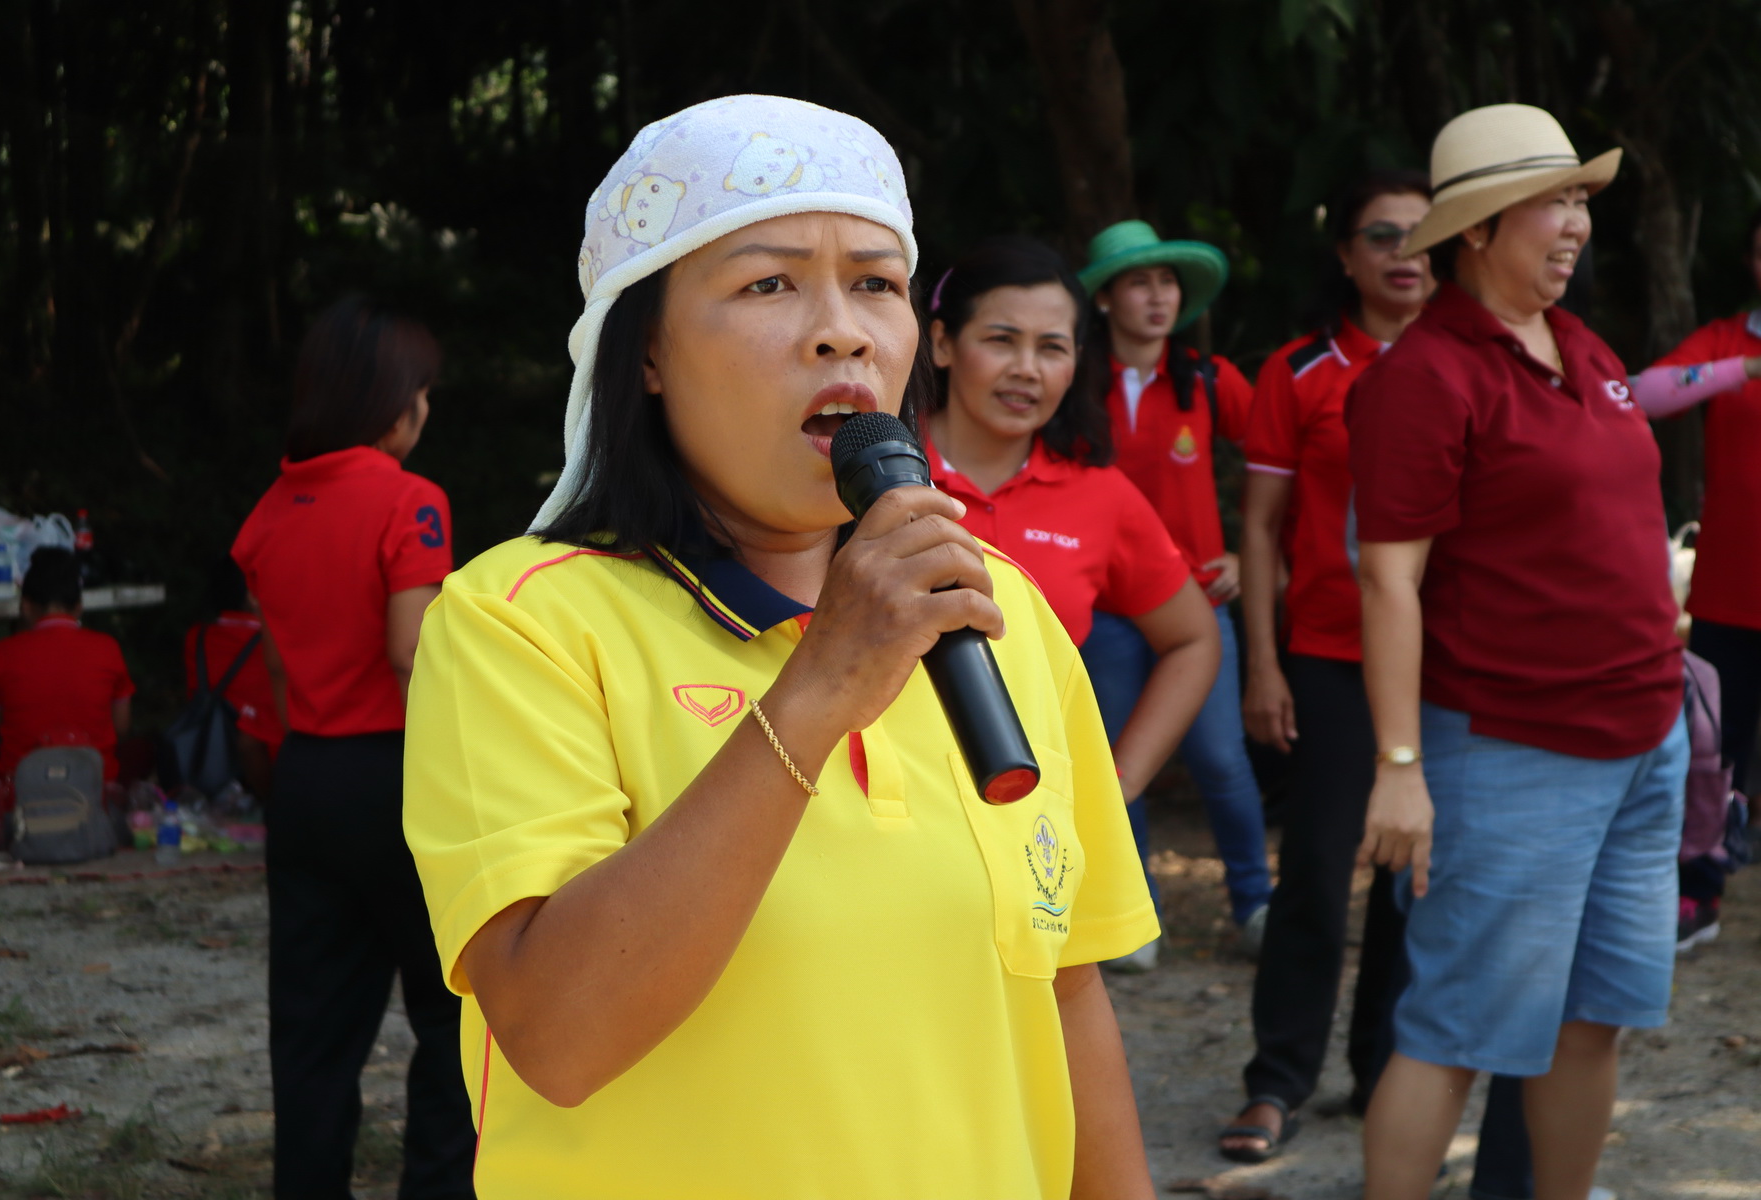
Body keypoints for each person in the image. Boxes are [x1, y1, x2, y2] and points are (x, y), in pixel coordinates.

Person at [403, 95, 1162, 1199]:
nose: (841, 331)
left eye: (877, 284)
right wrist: (819, 691)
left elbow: (1070, 991)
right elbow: (558, 1036)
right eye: (768, 284)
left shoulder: (1000, 609)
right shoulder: (518, 621)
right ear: (645, 350)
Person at [1348, 104, 1687, 1200]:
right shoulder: (1426, 373)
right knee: (1453, 1032)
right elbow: (1388, 580)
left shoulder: (1580, 343)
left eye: (1583, 198)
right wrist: (1401, 768)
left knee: (1595, 1020)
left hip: (1646, 733)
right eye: (1554, 200)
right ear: (1480, 228)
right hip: (1507, 748)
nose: (1578, 222)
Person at [923, 235, 1223, 970]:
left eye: (1052, 347)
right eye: (1001, 339)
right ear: (941, 343)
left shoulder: (1101, 496)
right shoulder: (876, 472)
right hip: (889, 816)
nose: (1027, 368)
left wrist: (1116, 787)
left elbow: (1194, 639)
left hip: (1029, 836)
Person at [232, 296, 473, 1199]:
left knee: (312, 1033)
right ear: (392, 403)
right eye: (423, 392)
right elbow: (412, 651)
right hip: (397, 774)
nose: (426, 409)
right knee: (452, 1012)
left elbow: (276, 669)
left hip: (306, 777)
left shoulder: (268, 513)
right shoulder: (412, 501)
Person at [1221, 169, 1435, 1160]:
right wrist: (1262, 665)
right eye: (1382, 234)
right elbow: (1262, 529)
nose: (1405, 253)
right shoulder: (1301, 369)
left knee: (1414, 878)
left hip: (1449, 662)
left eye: (1423, 234)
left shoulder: (1474, 363)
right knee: (1314, 869)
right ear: (1346, 255)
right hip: (1331, 654)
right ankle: (1276, 1081)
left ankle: (1385, 1074)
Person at [1078, 220, 1273, 953]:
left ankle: (1256, 907)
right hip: (1106, 606)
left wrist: (1252, 556)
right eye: (1139, 283)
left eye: (1167, 282)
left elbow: (1283, 464)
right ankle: (1136, 919)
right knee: (1116, 763)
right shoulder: (1073, 383)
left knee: (1221, 759)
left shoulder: (1209, 378)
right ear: (1105, 299)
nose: (1158, 297)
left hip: (1197, 603)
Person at [1630, 206, 1761, 949]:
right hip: (1732, 596)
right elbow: (1643, 393)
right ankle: (1698, 891)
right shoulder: (1724, 342)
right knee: (1711, 753)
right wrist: (1746, 368)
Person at [0, 547, 132, 784]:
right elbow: (121, 727)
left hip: (22, 792)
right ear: (79, 606)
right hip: (96, 791)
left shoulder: (3, 653)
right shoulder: (108, 649)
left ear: (26, 606)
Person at [182, 555, 285, 800]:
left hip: (206, 759)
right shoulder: (273, 642)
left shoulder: (196, 637)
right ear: (251, 595)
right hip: (264, 764)